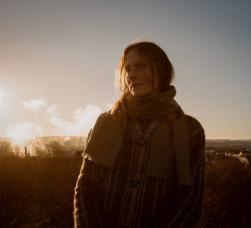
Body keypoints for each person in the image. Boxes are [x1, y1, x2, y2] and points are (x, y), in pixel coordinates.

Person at [73, 41, 205, 228]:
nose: (132, 74)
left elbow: (189, 201)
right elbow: (85, 188)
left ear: (161, 69)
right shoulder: (106, 122)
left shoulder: (190, 130)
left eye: (141, 66)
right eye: (128, 69)